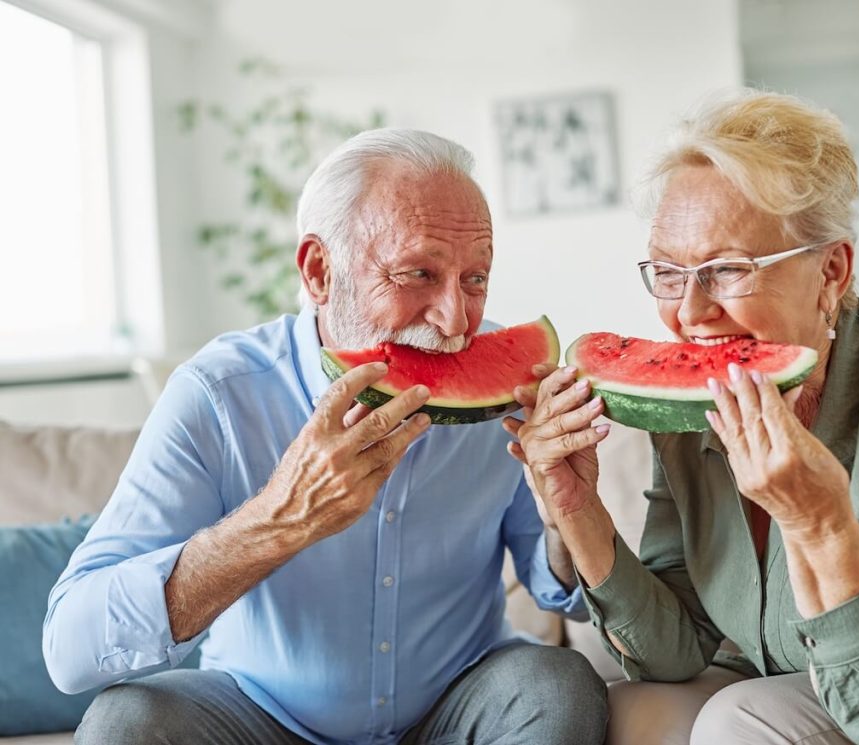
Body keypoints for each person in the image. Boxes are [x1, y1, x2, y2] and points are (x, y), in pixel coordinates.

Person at [43, 129, 607, 745]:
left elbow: (561, 593)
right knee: (125, 723)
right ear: (319, 270)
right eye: (418, 273)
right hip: (258, 712)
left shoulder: (510, 383)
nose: (455, 321)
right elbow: (70, 650)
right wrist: (280, 520)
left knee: (556, 685)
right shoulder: (218, 394)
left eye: (475, 280)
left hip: (454, 702)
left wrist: (564, 520)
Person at [506, 90, 859, 744]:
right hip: (775, 678)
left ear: (831, 271)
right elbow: (673, 651)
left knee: (735, 722)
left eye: (726, 269)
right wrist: (576, 507)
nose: (691, 312)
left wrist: (817, 519)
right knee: (622, 715)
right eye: (667, 272)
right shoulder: (692, 408)